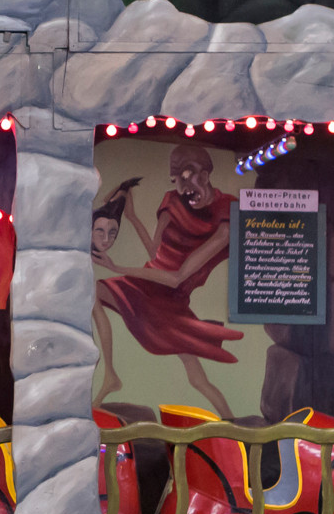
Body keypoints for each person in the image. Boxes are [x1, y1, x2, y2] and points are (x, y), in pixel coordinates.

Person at [96, 148, 243, 418]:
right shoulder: (171, 202)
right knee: (92, 292)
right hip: (146, 285)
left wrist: (117, 267)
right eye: (177, 180)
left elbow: (176, 278)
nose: (184, 188)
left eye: (189, 177)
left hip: (172, 300)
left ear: (206, 174)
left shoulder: (226, 213)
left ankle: (233, 426)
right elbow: (155, 254)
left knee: (198, 380)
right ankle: (110, 375)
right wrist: (131, 217)